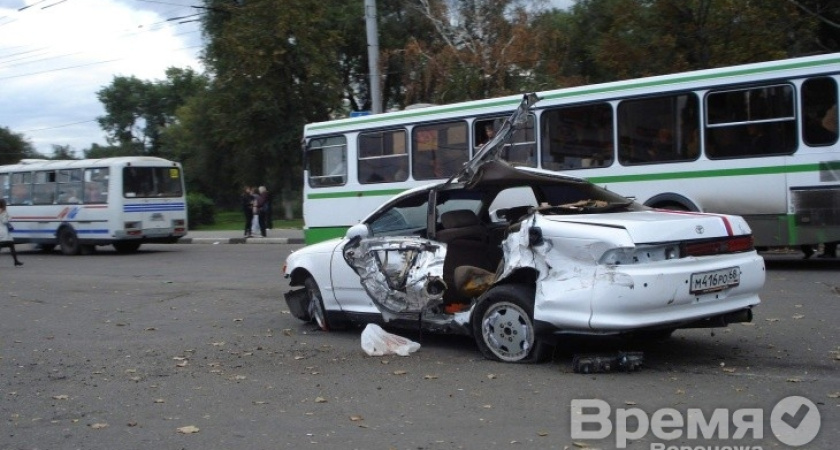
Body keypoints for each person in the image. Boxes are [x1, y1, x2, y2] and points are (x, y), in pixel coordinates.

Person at [0, 199, 23, 267]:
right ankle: (16, 261)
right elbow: (4, 221)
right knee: (11, 246)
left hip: (1, 232)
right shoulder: (3, 212)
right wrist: (9, 218)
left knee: (11, 245)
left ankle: (16, 261)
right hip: (3, 232)